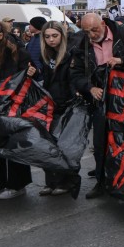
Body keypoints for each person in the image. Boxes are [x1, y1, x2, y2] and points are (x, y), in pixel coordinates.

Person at [70, 12, 124, 199]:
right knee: (100, 141)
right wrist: (89, 88)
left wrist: (123, 60)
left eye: (94, 30)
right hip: (101, 98)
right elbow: (75, 74)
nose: (91, 35)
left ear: (103, 23)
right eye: (86, 31)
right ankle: (101, 181)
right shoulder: (81, 43)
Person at [27, 21, 79, 196]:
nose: (51, 39)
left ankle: (65, 182)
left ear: (62, 36)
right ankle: (51, 181)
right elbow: (47, 80)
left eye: (54, 36)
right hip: (50, 105)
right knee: (47, 145)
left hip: (67, 105)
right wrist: (35, 74)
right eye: (47, 36)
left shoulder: (71, 54)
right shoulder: (46, 55)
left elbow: (72, 80)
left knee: (65, 147)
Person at [0, 23, 32, 199]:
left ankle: (17, 185)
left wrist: (32, 72)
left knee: (14, 144)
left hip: (13, 105)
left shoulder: (18, 52)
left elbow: (30, 75)